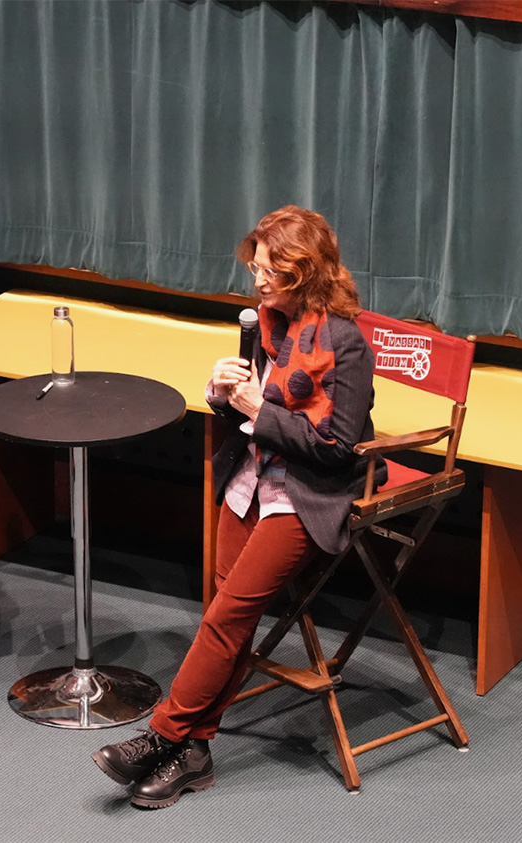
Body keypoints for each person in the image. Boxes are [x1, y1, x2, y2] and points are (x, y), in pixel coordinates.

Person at [91, 205, 385, 809]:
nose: (258, 283)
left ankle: (162, 736)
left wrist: (257, 408)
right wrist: (223, 393)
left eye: (269, 272)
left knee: (226, 618)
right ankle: (194, 757)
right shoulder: (269, 323)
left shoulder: (346, 343)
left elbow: (336, 447)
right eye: (255, 269)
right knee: (227, 617)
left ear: (303, 271)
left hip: (306, 495)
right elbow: (249, 408)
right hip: (252, 478)